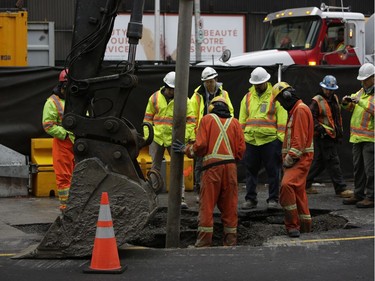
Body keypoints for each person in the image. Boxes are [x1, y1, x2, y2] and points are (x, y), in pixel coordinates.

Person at [172, 96, 245, 247]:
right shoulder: (236, 123)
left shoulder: (207, 119)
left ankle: (204, 243)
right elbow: (241, 151)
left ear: (211, 108)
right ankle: (230, 242)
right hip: (231, 169)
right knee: (230, 207)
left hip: (212, 170)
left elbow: (200, 146)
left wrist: (185, 149)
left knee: (207, 206)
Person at [143, 71, 195, 209]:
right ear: (165, 86)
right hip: (157, 138)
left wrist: (183, 139)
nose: (172, 91)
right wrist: (149, 136)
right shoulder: (154, 98)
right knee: (155, 168)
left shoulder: (184, 99)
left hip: (175, 139)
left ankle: (180, 198)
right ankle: (152, 197)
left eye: (174, 89)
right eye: (170, 88)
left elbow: (190, 121)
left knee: (178, 168)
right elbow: (147, 119)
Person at [239, 67, 287, 210]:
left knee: (273, 172)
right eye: (255, 84)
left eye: (259, 84)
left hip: (270, 141)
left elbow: (282, 120)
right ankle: (250, 199)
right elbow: (242, 120)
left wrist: (279, 140)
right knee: (250, 171)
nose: (257, 86)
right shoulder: (247, 97)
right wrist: (242, 139)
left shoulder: (275, 96)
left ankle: (273, 199)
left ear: (266, 81)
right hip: (251, 141)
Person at [272, 81, 314, 238]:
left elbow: (299, 139)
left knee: (287, 185)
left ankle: (292, 226)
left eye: (281, 101)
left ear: (287, 96)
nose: (281, 105)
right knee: (298, 192)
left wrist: (291, 157)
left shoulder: (300, 111)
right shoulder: (296, 111)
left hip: (299, 159)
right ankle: (305, 225)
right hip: (298, 159)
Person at [190, 67, 234, 200]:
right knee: (199, 164)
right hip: (202, 133)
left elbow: (230, 112)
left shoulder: (224, 94)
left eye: (211, 81)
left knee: (218, 163)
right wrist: (193, 136)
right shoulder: (197, 95)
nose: (209, 84)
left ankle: (218, 193)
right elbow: (192, 116)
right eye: (206, 82)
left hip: (219, 134)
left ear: (216, 79)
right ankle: (200, 191)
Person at [305, 75, 353, 198]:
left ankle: (305, 184)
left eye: (331, 89)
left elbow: (336, 117)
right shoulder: (317, 100)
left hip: (331, 136)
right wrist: (321, 129)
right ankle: (340, 188)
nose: (328, 91)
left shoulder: (334, 98)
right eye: (327, 89)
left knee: (320, 163)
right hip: (323, 136)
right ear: (322, 87)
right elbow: (311, 118)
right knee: (333, 162)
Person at [342, 63, 374, 208]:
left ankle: (371, 196)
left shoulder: (367, 96)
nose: (362, 82)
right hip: (357, 137)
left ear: (373, 78)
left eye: (365, 79)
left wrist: (359, 102)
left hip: (370, 139)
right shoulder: (361, 92)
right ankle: (359, 194)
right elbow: (351, 107)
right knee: (358, 169)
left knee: (370, 170)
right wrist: (345, 103)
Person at [42, 69, 75, 211]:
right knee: (64, 177)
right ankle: (66, 208)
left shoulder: (76, 101)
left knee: (79, 175)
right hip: (63, 144)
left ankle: (76, 205)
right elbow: (48, 125)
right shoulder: (52, 102)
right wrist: (66, 135)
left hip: (78, 143)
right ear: (63, 85)